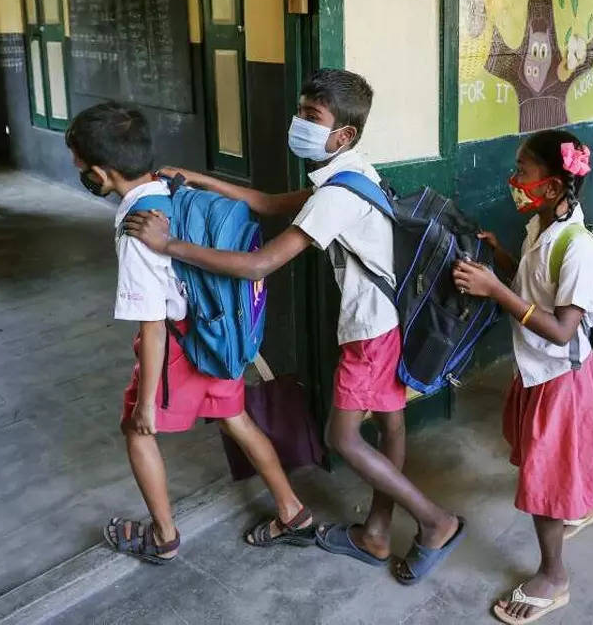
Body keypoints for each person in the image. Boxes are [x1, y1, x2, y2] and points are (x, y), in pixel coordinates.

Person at [124, 69, 465, 584]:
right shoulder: (350, 174)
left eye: (312, 117)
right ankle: (374, 533)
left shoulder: (338, 194)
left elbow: (260, 264)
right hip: (393, 320)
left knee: (344, 438)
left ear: (343, 134)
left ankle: (435, 522)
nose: (299, 122)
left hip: (370, 331)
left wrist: (168, 245)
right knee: (390, 423)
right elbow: (266, 204)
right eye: (300, 110)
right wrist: (200, 178)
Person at [68, 103, 310, 565]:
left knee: (138, 432)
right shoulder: (170, 189)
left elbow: (153, 324)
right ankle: (293, 511)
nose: (81, 171)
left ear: (101, 171)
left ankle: (163, 537)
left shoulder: (137, 228)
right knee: (235, 417)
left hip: (180, 346)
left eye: (81, 165)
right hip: (217, 332)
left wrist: (144, 406)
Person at [451, 132, 593, 625]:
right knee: (551, 468)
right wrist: (500, 260)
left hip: (559, 377)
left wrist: (496, 290)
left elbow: (563, 330)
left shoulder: (579, 247)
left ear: (555, 185)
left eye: (523, 172)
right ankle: (576, 507)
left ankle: (553, 576)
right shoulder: (541, 226)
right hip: (535, 371)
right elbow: (529, 285)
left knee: (545, 483)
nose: (513, 181)